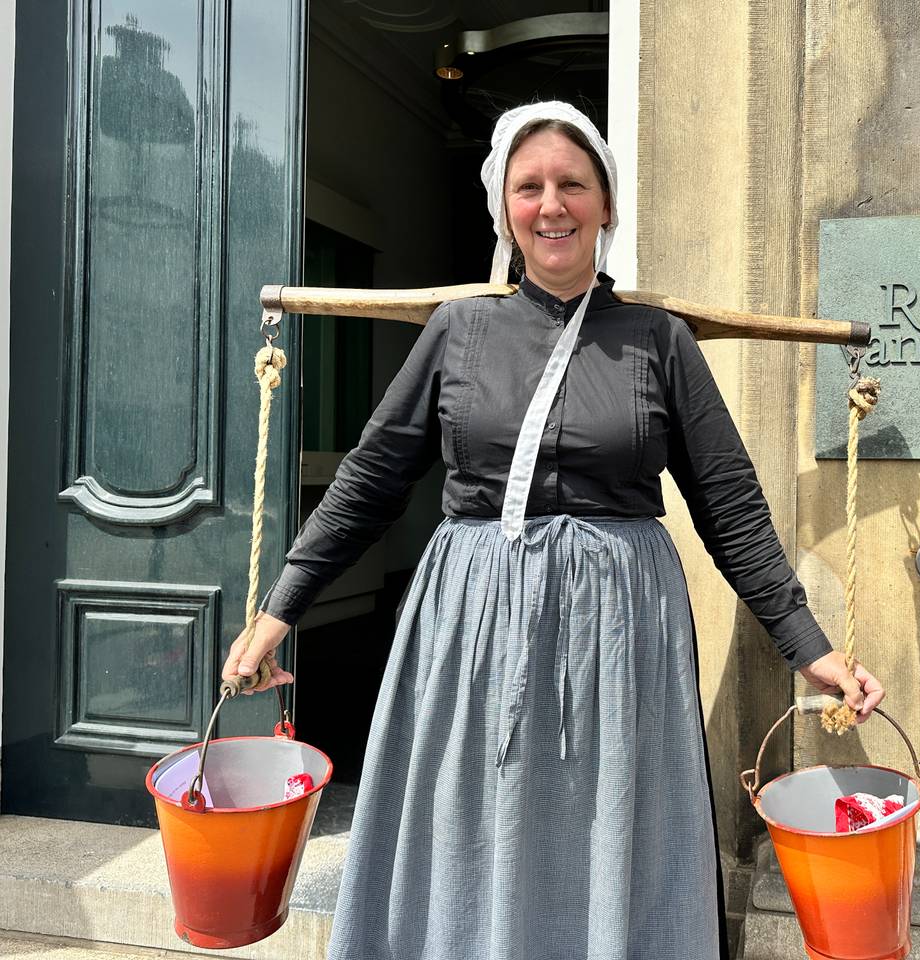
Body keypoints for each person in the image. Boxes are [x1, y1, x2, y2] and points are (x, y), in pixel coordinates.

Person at [221, 101, 883, 960]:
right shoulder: (460, 331)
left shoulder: (658, 341)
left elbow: (731, 506)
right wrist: (280, 609)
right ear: (504, 210)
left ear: (606, 205)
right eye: (528, 187)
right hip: (474, 625)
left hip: (621, 632)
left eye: (573, 184)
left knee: (610, 823)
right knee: (475, 816)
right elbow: (369, 481)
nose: (551, 205)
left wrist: (809, 645)